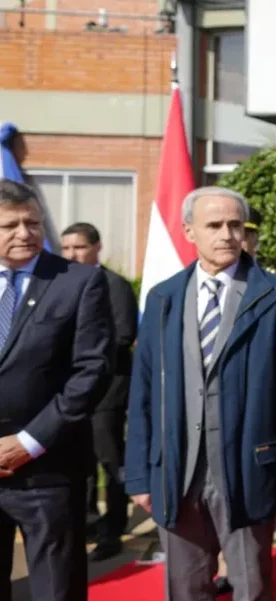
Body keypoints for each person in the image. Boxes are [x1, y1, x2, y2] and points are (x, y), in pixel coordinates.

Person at [124, 186, 276, 601]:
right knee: (185, 583)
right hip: (175, 469)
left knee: (252, 581)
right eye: (214, 225)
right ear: (189, 231)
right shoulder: (162, 298)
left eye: (236, 225)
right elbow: (142, 391)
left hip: (249, 464)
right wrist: (139, 473)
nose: (228, 235)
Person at [0, 180, 114, 601]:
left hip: (48, 473)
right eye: (9, 225)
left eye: (32, 222)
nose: (24, 232)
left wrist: (28, 443)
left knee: (56, 590)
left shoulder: (79, 282)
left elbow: (92, 371)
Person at [60, 222, 138, 562]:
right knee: (81, 461)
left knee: (110, 460)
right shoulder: (61, 283)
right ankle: (89, 521)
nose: (71, 255)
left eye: (78, 247)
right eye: (66, 249)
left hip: (107, 392)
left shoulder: (115, 285)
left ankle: (113, 528)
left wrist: (76, 351)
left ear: (96, 247)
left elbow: (124, 336)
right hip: (70, 392)